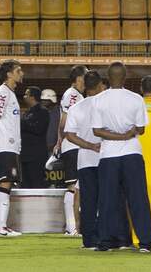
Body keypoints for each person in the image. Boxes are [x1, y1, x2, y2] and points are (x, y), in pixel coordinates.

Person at [92, 61, 151, 253]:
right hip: (132, 152)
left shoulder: (99, 100)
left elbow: (97, 131)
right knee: (138, 198)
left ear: (108, 78)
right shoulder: (136, 98)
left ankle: (105, 242)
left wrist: (116, 136)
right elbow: (141, 129)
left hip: (108, 154)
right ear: (125, 77)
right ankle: (146, 243)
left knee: (107, 199)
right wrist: (125, 135)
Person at [64, 71, 108, 250]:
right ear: (99, 85)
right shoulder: (107, 106)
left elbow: (69, 135)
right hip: (107, 158)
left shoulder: (76, 108)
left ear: (85, 86)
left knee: (87, 201)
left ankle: (89, 240)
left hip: (85, 161)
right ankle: (106, 238)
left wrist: (89, 145)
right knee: (106, 200)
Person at [0, 59, 24, 237]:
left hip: (11, 146)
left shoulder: (10, 93)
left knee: (7, 184)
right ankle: (0, 227)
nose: (21, 73)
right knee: (4, 183)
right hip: (5, 145)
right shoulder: (2, 92)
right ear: (9, 74)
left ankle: (3, 226)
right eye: (18, 70)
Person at [55, 64, 87, 236]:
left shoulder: (76, 95)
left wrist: (59, 140)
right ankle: (71, 227)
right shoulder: (72, 95)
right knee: (73, 186)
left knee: (75, 186)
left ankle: (72, 226)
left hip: (73, 143)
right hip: (73, 144)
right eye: (84, 77)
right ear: (78, 79)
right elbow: (64, 121)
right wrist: (61, 140)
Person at [20, 86, 50, 188]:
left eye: (26, 94)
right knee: (26, 186)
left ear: (32, 97)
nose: (24, 96)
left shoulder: (43, 111)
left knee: (37, 185)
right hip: (25, 156)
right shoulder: (27, 113)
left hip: (36, 157)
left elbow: (39, 129)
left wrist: (21, 123)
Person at [41, 89, 60, 154]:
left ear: (52, 100)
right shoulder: (44, 112)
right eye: (42, 100)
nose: (42, 102)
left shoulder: (58, 113)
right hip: (44, 148)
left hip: (55, 148)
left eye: (45, 100)